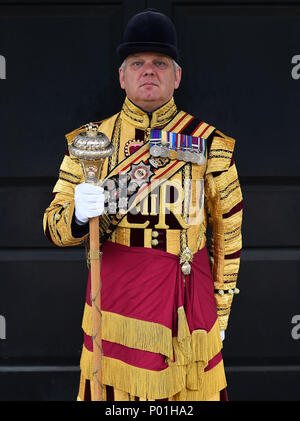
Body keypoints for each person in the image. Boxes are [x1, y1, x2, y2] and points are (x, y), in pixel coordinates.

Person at [43, 9, 243, 401]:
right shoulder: (90, 145)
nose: (148, 71)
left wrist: (221, 312)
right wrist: (80, 215)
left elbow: (228, 235)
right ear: (122, 76)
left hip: (188, 313)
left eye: (160, 63)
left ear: (177, 76)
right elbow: (54, 227)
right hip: (115, 310)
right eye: (138, 63)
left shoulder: (210, 144)